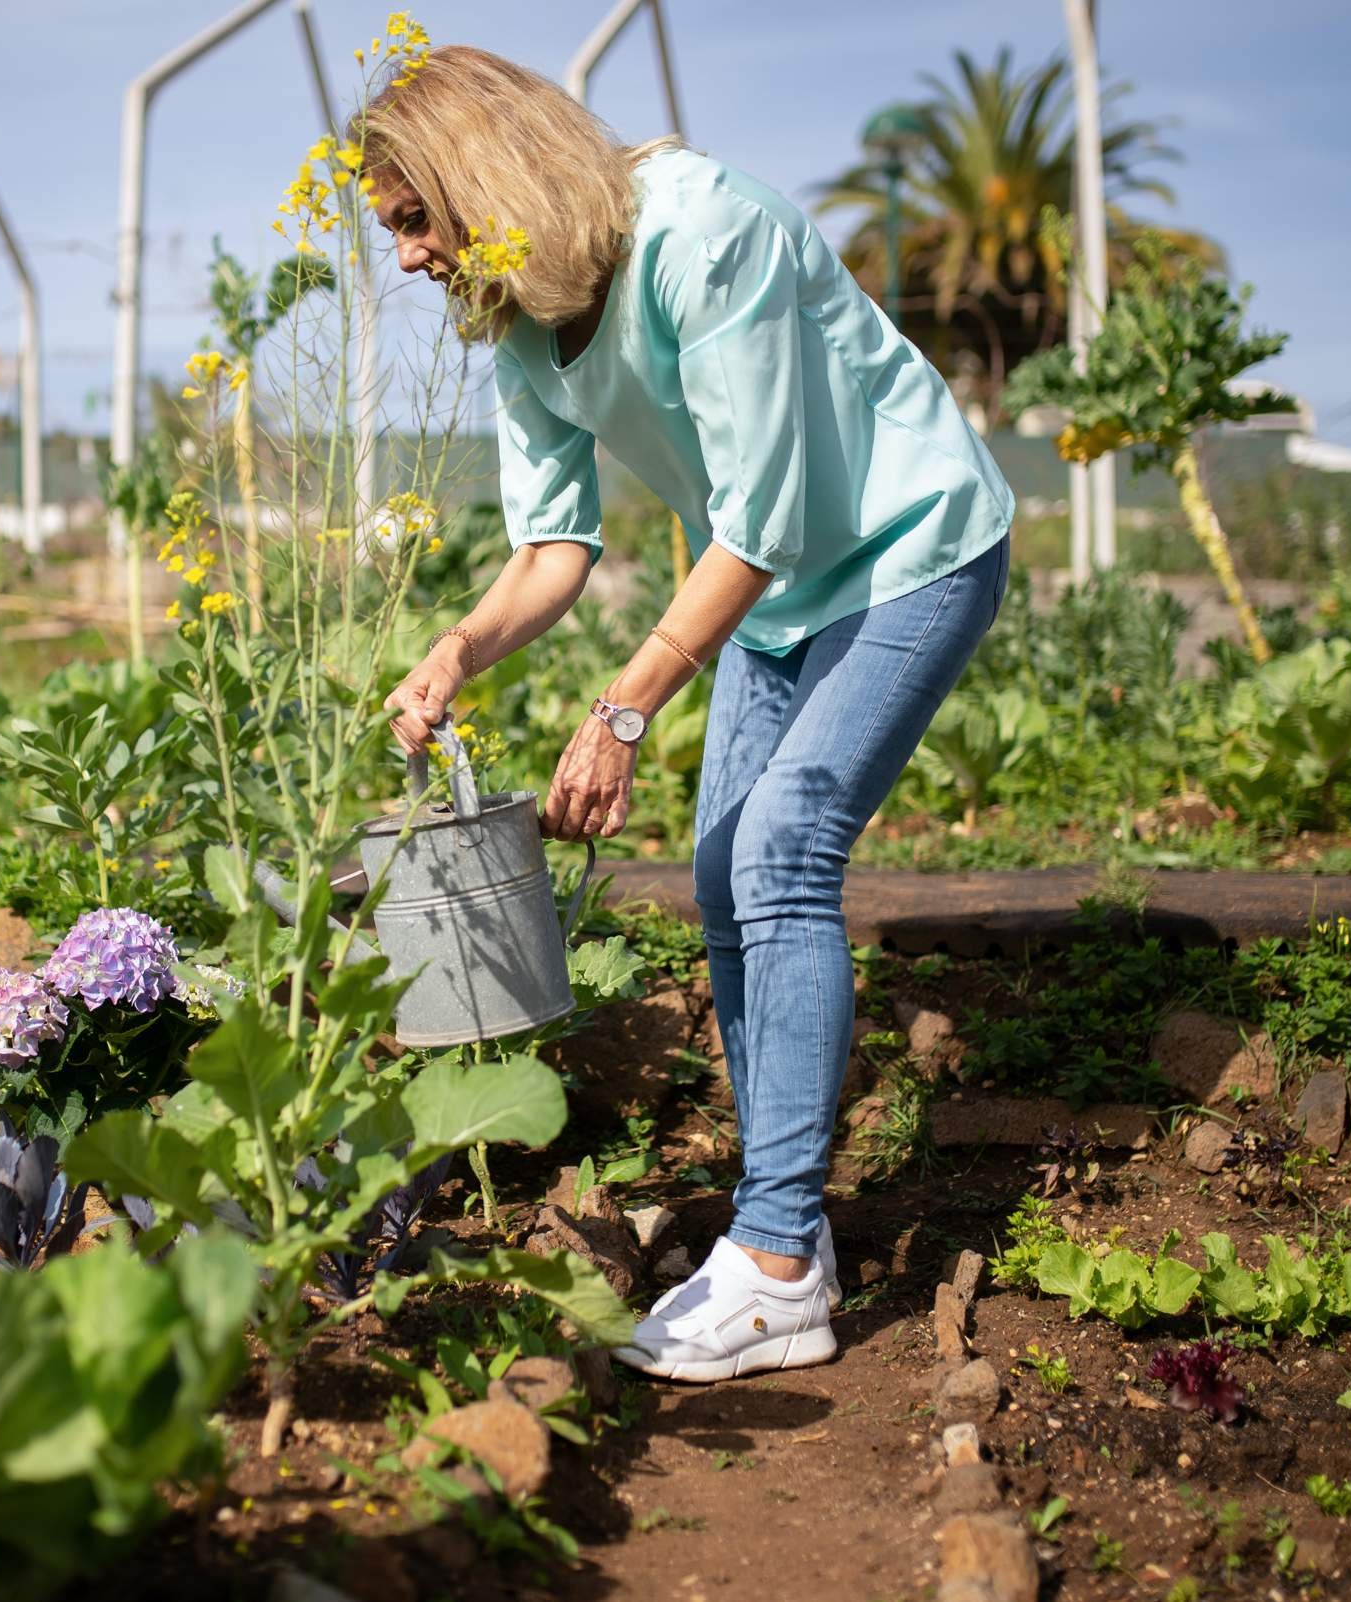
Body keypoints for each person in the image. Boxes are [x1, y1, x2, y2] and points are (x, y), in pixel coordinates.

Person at [371, 46, 1014, 1383]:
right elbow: (554, 542)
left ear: (477, 180)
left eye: (414, 220)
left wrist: (624, 706)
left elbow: (768, 515)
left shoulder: (703, 234)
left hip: (908, 549)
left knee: (784, 852)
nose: (408, 258)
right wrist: (459, 645)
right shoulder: (519, 316)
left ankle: (779, 1259)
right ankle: (792, 1236)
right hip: (774, 597)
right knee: (725, 874)